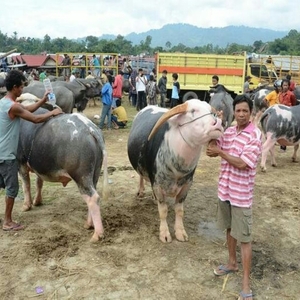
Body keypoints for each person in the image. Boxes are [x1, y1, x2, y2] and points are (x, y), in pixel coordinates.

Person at [206, 94, 262, 300]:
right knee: (229, 229)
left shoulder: (254, 136)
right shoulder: (229, 131)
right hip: (225, 190)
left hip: (241, 196)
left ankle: (246, 285)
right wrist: (217, 122)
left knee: (245, 239)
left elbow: (242, 163)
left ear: (251, 113)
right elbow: (211, 150)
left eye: (244, 111)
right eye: (237, 111)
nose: (240, 114)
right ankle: (231, 263)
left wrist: (221, 152)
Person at [0, 70, 63, 231]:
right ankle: (7, 221)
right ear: (15, 87)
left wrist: (43, 100)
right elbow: (34, 119)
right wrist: (52, 112)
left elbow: (29, 110)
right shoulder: (13, 107)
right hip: (6, 154)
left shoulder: (4, 103)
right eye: (21, 87)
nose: (22, 89)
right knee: (12, 188)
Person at [279, 79, 297, 152]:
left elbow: (294, 103)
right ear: (282, 86)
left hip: (289, 115)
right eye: (284, 85)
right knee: (281, 131)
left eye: (286, 85)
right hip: (281, 115)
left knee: (287, 130)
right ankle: (282, 146)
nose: (285, 87)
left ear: (289, 86)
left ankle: (289, 144)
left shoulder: (291, 94)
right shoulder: (279, 94)